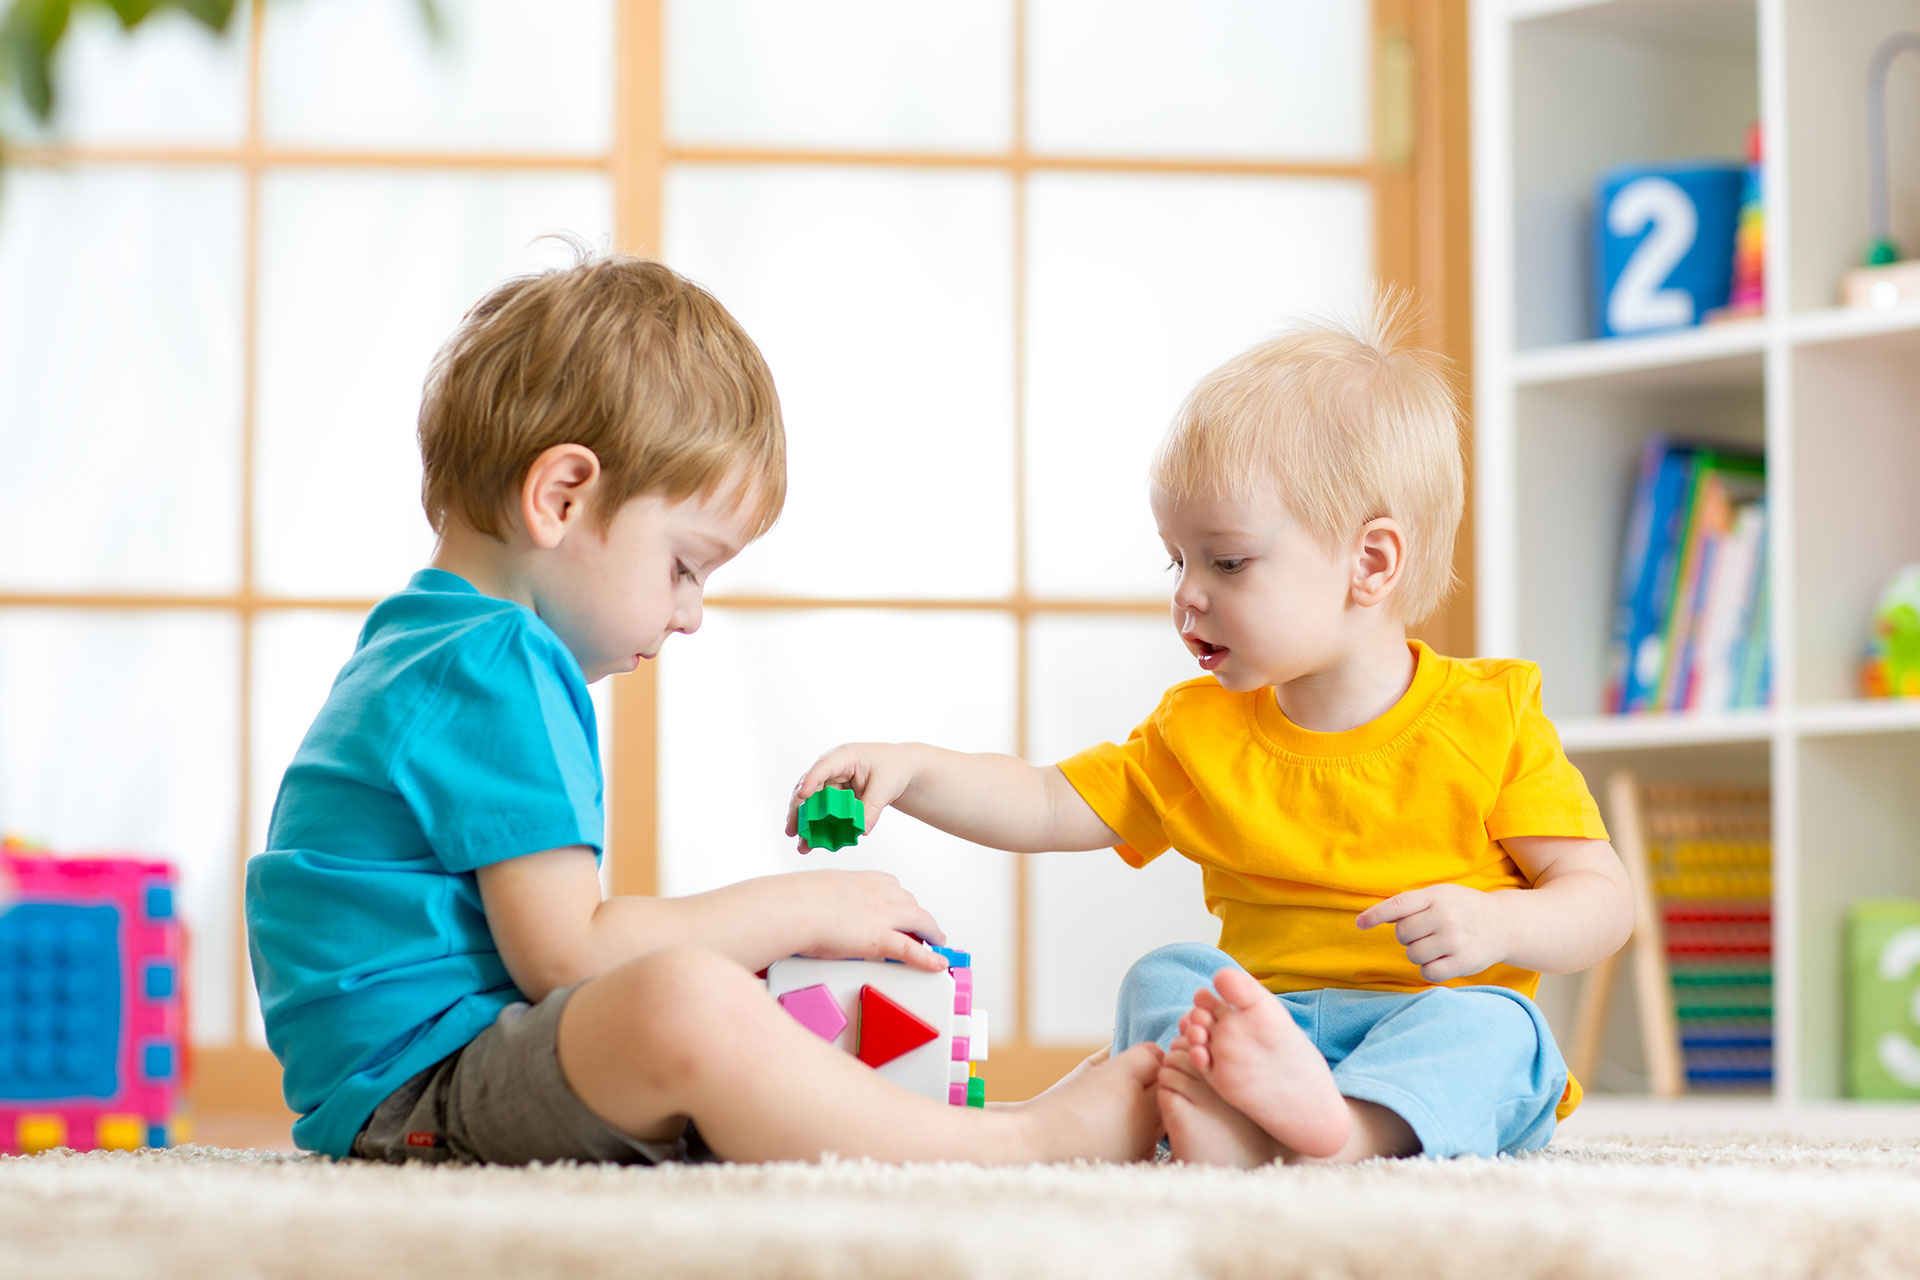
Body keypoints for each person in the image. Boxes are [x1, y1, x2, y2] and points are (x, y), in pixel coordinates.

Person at [247, 249, 1164, 1168]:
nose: (688, 615)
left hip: (407, 1077)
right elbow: (568, 956)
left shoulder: (420, 638)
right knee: (687, 999)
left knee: (727, 992)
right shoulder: (499, 660)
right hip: (425, 1087)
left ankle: (913, 1121)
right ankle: (1017, 1143)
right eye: (684, 567)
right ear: (561, 497)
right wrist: (804, 907)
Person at [789, 291, 1633, 1165]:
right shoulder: (1199, 731)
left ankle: (1355, 1132)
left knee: (1501, 1029)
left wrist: (1501, 928)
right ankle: (1244, 1121)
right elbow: (1045, 805)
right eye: (1177, 558)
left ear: (1370, 563)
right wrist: (914, 769)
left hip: (1428, 1020)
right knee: (1165, 976)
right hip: (1265, 1028)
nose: (1187, 594)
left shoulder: (1487, 718)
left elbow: (1601, 902)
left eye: (1226, 561)